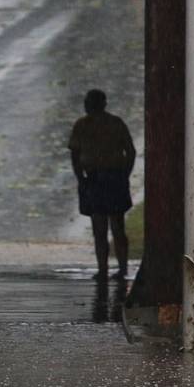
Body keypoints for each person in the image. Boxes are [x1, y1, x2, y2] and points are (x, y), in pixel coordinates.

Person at [68, 89, 136, 280]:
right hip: (114, 179)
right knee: (117, 226)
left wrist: (80, 178)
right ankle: (120, 268)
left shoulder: (82, 125)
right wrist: (125, 174)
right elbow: (130, 151)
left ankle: (104, 269)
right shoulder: (115, 123)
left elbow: (74, 154)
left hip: (95, 179)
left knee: (100, 227)